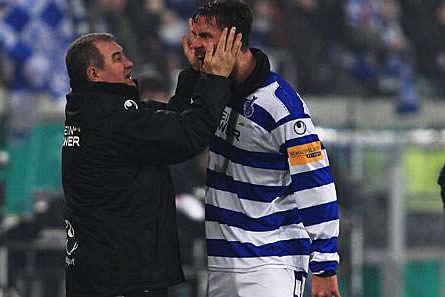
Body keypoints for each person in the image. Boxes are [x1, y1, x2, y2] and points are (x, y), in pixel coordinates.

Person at [178, 1, 341, 296]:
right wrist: (192, 77)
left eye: (206, 36)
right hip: (222, 261)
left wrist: (324, 265)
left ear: (235, 39)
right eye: (194, 35)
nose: (195, 45)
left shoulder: (280, 105)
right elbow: (178, 137)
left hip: (270, 261)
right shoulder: (212, 91)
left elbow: (316, 183)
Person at [62, 31, 242, 297]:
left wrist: (194, 73)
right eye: (116, 57)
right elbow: (186, 135)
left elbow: (169, 119)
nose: (128, 63)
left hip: (102, 273)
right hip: (122, 278)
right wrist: (216, 78)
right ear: (94, 73)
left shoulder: (91, 110)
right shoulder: (112, 118)